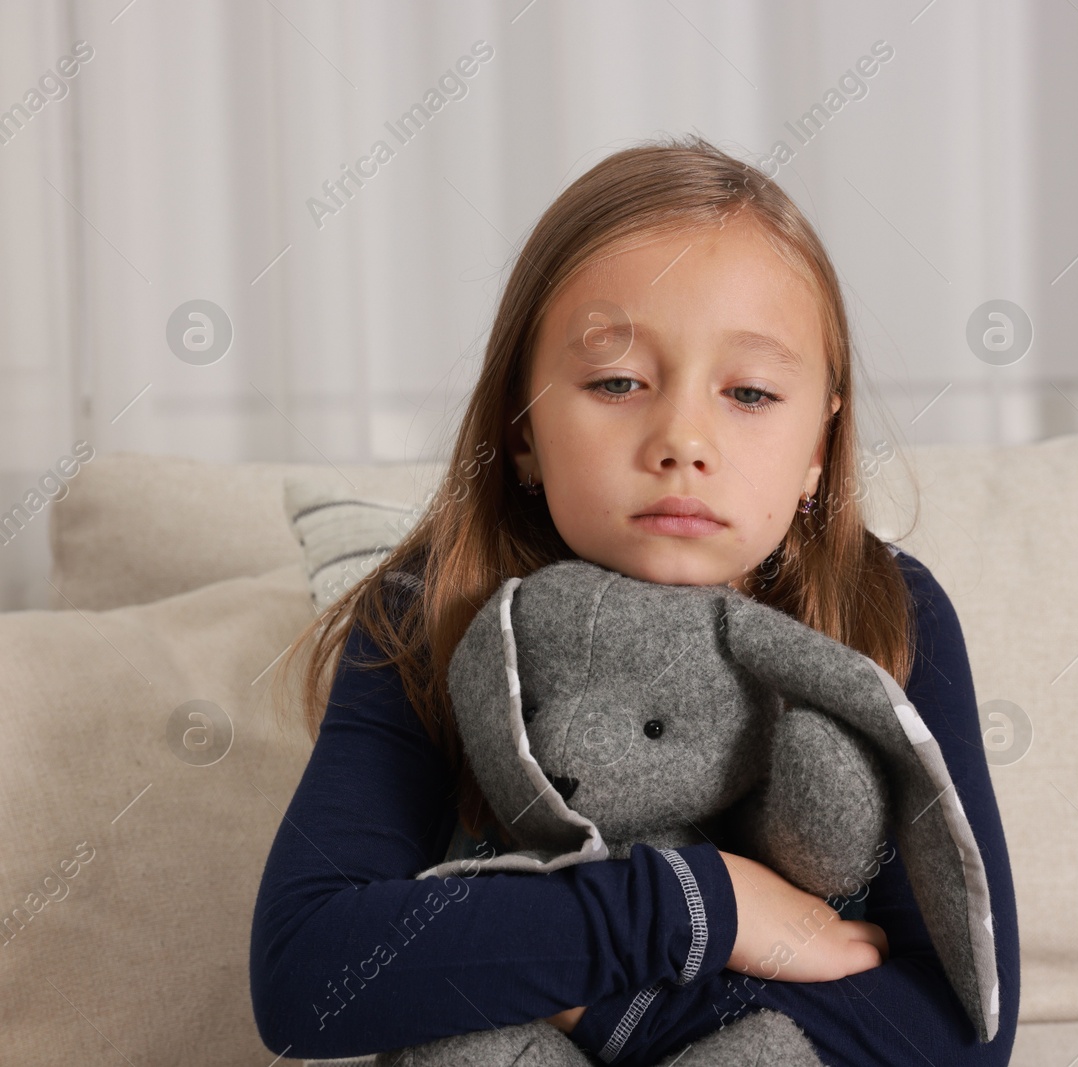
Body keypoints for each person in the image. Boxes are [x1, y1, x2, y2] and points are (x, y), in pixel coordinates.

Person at [249, 134, 1019, 1066]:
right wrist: (707, 906)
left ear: (822, 441)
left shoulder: (891, 610)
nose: (682, 439)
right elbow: (306, 975)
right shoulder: (424, 609)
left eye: (750, 391)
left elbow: (962, 1026)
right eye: (616, 381)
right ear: (521, 429)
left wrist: (615, 1013)